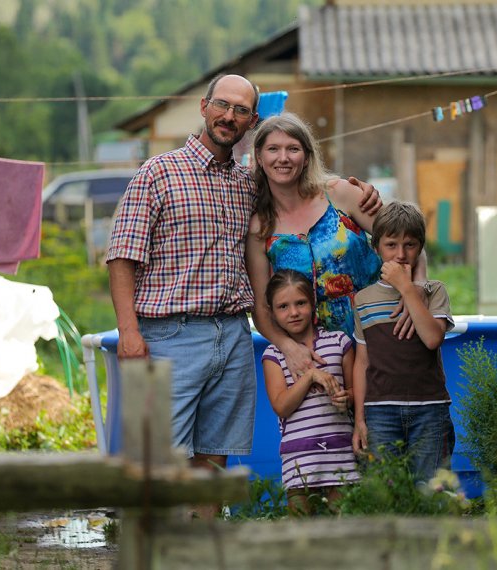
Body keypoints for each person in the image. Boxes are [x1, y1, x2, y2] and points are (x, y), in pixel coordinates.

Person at [106, 74, 379, 508]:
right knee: (154, 457)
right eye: (222, 105)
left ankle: (206, 548)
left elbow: (296, 180)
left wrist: (352, 189)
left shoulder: (247, 184)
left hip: (231, 334)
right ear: (203, 106)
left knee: (214, 459)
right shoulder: (158, 171)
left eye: (240, 110)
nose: (228, 116)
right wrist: (128, 331)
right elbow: (122, 255)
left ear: (252, 120)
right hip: (164, 334)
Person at [246, 113, 422, 378]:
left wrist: (417, 293)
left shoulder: (341, 194)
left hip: (384, 333)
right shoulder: (260, 227)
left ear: (306, 156)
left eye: (292, 149)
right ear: (259, 157)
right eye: (273, 149)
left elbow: (411, 244)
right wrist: (289, 348)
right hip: (320, 358)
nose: (283, 158)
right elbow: (261, 307)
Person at [351, 201, 456, 483]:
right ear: (376, 248)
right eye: (391, 245)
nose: (400, 254)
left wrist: (408, 289)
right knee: (385, 491)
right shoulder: (363, 300)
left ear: (420, 248)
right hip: (380, 411)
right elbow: (362, 362)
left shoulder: (434, 292)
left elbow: (433, 338)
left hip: (430, 409)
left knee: (432, 490)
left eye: (409, 245)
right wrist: (359, 419)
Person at [260, 269, 359, 514]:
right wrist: (311, 375)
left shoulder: (339, 342)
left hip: (341, 451)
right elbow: (281, 406)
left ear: (313, 303)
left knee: (346, 523)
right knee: (301, 528)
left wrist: (348, 397)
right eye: (283, 306)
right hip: (299, 456)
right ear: (272, 312)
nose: (293, 312)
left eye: (301, 303)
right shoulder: (274, 355)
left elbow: (357, 391)